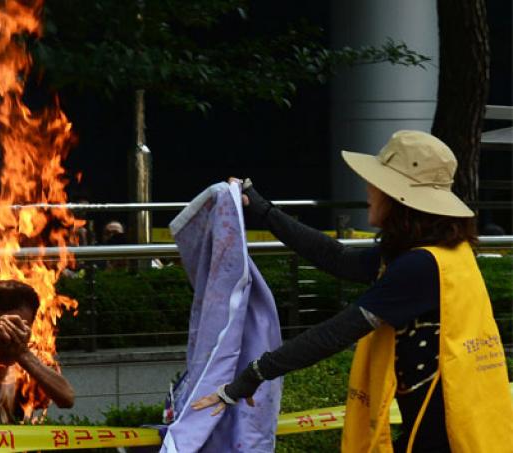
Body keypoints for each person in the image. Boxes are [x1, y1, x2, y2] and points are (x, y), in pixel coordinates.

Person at [192, 131, 513, 452]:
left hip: (445, 438)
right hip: (462, 428)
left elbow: (335, 334)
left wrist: (251, 375)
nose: (369, 190)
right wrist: (263, 210)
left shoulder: (420, 267)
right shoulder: (444, 254)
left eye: (378, 183)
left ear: (400, 198)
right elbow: (337, 258)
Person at [0, 280, 75, 423]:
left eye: (21, 328)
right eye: (6, 329)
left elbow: (67, 398)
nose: (12, 337)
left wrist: (23, 354)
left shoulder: (30, 360)